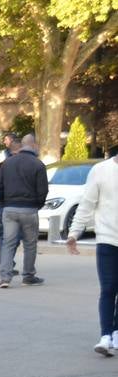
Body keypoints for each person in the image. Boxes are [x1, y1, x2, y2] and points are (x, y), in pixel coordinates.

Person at [65, 144, 118, 356]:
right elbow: (86, 204)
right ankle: (106, 335)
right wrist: (74, 233)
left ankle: (116, 332)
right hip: (107, 238)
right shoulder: (101, 170)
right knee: (108, 288)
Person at [0, 133, 48, 287]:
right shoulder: (38, 164)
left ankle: (5, 277)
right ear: (33, 145)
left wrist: (5, 201)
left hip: (10, 208)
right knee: (30, 244)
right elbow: (43, 190)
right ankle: (28, 275)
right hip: (29, 209)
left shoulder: (7, 163)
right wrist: (37, 204)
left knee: (8, 243)